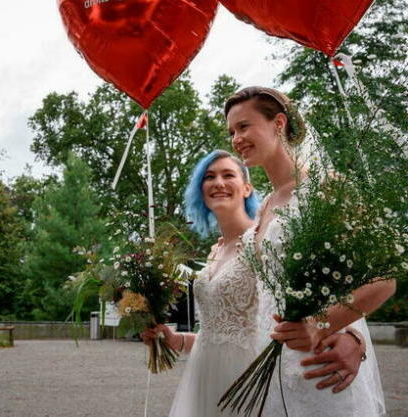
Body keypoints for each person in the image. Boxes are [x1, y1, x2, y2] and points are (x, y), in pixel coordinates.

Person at [141, 150, 369, 416]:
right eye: (209, 177)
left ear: (247, 188)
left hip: (248, 381)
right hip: (202, 380)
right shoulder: (214, 252)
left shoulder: (264, 241)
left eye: (228, 175)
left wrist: (355, 337)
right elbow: (220, 335)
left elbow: (315, 294)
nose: (218, 182)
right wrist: (176, 339)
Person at [226, 86, 392, 416]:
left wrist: (325, 325)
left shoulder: (328, 188)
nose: (236, 138)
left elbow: (384, 280)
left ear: (278, 123)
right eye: (231, 131)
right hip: (272, 371)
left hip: (321, 369)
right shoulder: (263, 209)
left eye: (244, 126)